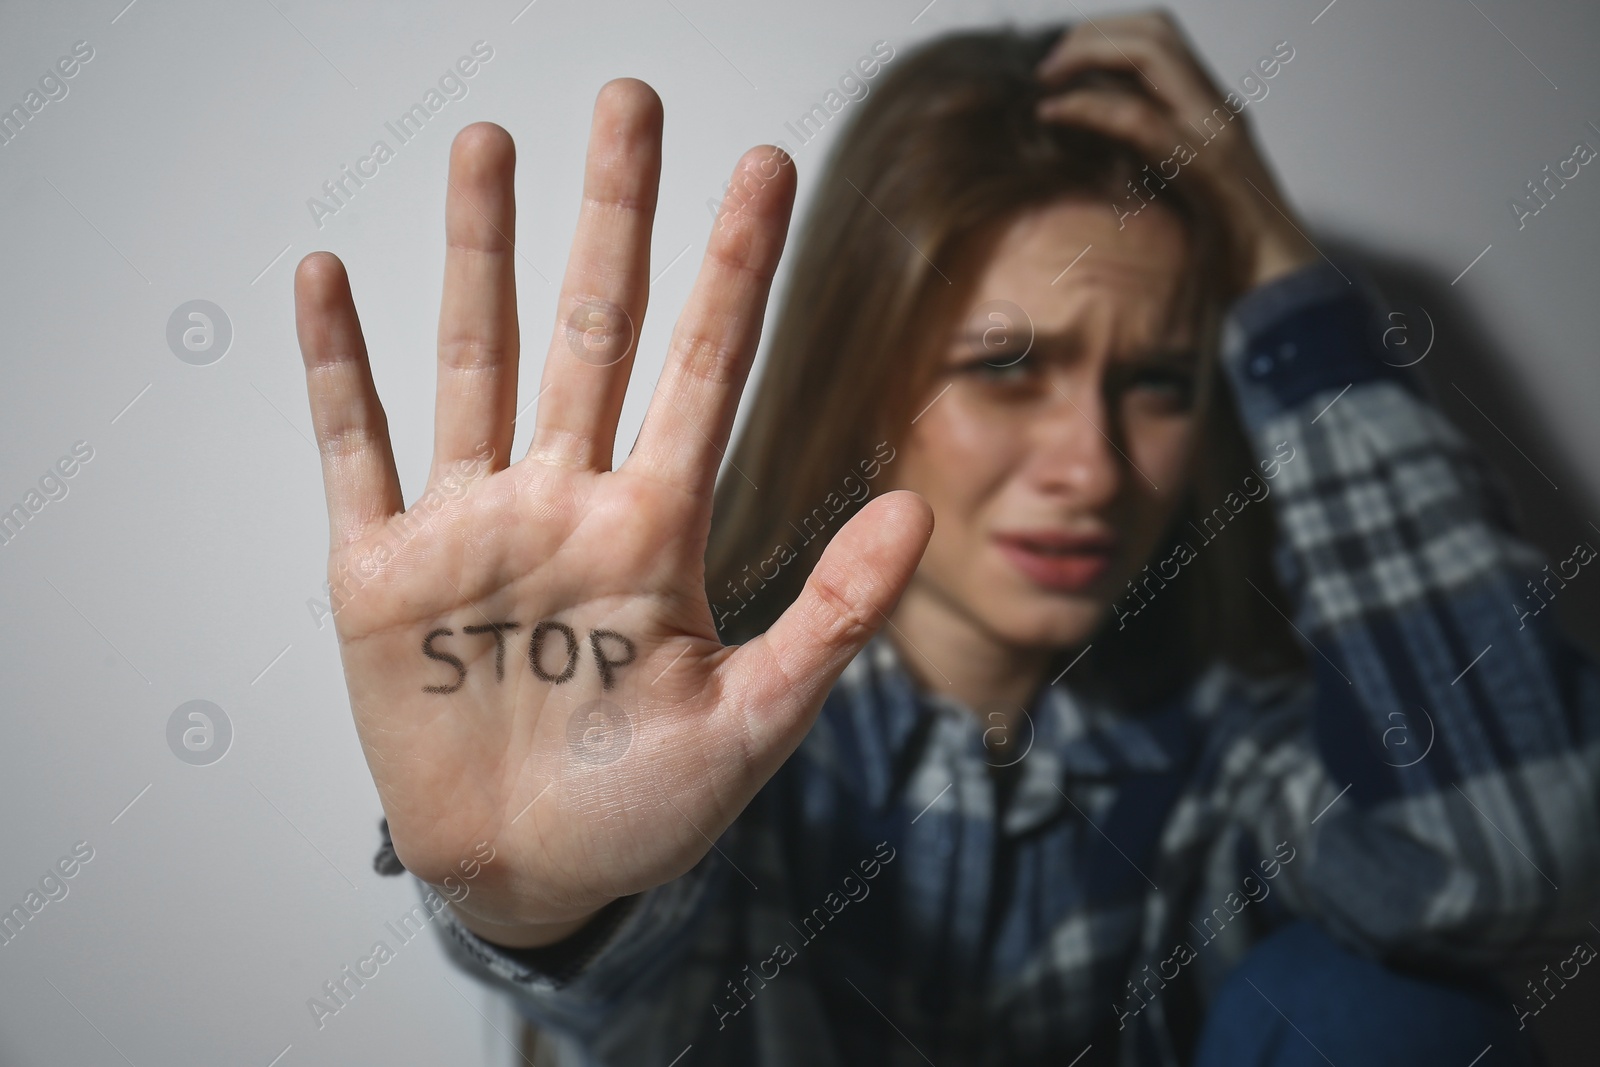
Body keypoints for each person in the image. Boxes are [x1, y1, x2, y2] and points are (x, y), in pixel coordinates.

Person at [291, 10, 1600, 1066]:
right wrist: (538, 902)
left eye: (1155, 382)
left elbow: (1523, 853)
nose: (1089, 466)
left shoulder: (1245, 775)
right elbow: (655, 1013)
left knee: (1384, 1014)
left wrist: (1286, 288)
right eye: (1006, 367)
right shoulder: (723, 762)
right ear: (871, 385)